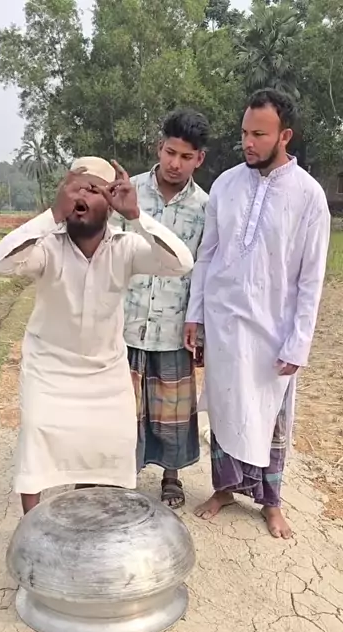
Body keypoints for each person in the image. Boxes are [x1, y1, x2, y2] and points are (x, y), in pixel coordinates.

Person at [0, 157, 194, 514]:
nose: (81, 197)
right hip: (49, 372)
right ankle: (31, 529)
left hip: (106, 375)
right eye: (75, 188)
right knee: (36, 446)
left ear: (111, 203)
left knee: (105, 450)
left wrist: (137, 216)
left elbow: (181, 263)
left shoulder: (126, 247)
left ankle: (84, 521)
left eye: (93, 189)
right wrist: (52, 214)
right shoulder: (47, 247)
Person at [184, 89, 331, 538]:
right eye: (245, 132)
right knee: (226, 406)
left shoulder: (309, 196)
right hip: (225, 323)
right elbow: (207, 255)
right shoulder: (226, 185)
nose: (248, 142)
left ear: (284, 136)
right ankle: (224, 489)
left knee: (272, 418)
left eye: (259, 135)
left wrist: (299, 342)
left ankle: (271, 502)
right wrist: (196, 315)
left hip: (274, 329)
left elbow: (311, 278)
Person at [122, 108, 210, 508]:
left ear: (199, 159)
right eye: (170, 152)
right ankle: (118, 473)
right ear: (160, 147)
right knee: (121, 405)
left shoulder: (205, 207)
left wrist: (199, 323)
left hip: (174, 324)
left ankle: (171, 476)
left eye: (186, 156)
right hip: (126, 319)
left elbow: (204, 268)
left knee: (171, 407)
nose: (175, 163)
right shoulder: (128, 193)